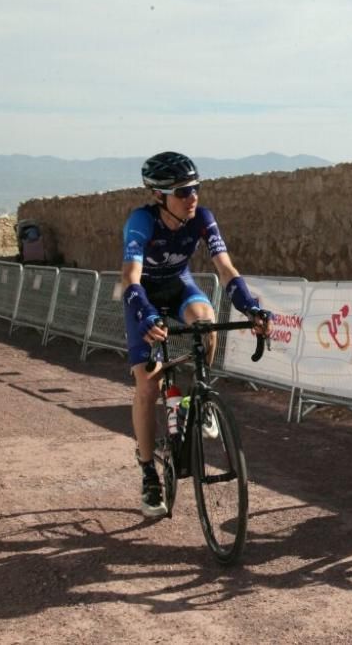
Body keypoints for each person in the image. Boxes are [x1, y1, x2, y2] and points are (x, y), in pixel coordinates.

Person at [122, 151, 272, 517]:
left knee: (205, 321)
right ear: (159, 195)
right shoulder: (141, 222)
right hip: (143, 298)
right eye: (183, 191)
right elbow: (130, 279)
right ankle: (148, 473)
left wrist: (250, 306)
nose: (193, 197)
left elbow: (225, 269)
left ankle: (197, 397)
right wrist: (145, 317)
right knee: (148, 384)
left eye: (196, 188)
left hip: (178, 287)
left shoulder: (202, 218)